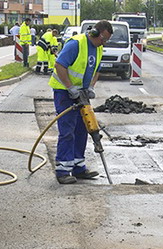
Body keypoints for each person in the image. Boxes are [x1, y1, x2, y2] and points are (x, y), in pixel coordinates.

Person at [48, 20, 113, 184]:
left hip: (82, 93)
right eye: (103, 39)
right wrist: (70, 87)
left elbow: (96, 70)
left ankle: (78, 166)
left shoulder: (99, 48)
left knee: (82, 128)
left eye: (106, 41)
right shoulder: (76, 44)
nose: (103, 43)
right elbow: (59, 65)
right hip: (64, 92)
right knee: (67, 129)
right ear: (95, 33)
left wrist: (91, 86)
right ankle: (63, 169)